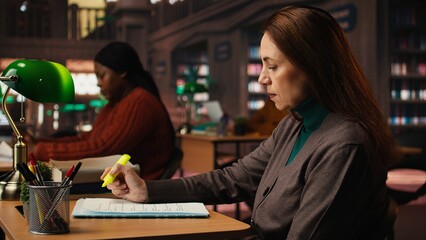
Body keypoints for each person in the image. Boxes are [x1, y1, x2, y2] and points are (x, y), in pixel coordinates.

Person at [101, 6, 402, 239]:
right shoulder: (293, 124)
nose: (261, 77)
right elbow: (232, 179)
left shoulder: (343, 146)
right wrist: (148, 191)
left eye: (272, 66)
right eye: (261, 64)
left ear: (313, 65)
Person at [32, 41, 176, 180]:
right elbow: (88, 139)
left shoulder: (139, 102)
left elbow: (103, 150)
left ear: (122, 72)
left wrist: (41, 151)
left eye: (102, 76)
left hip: (139, 188)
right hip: (120, 183)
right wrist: (37, 142)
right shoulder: (116, 103)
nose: (98, 83)